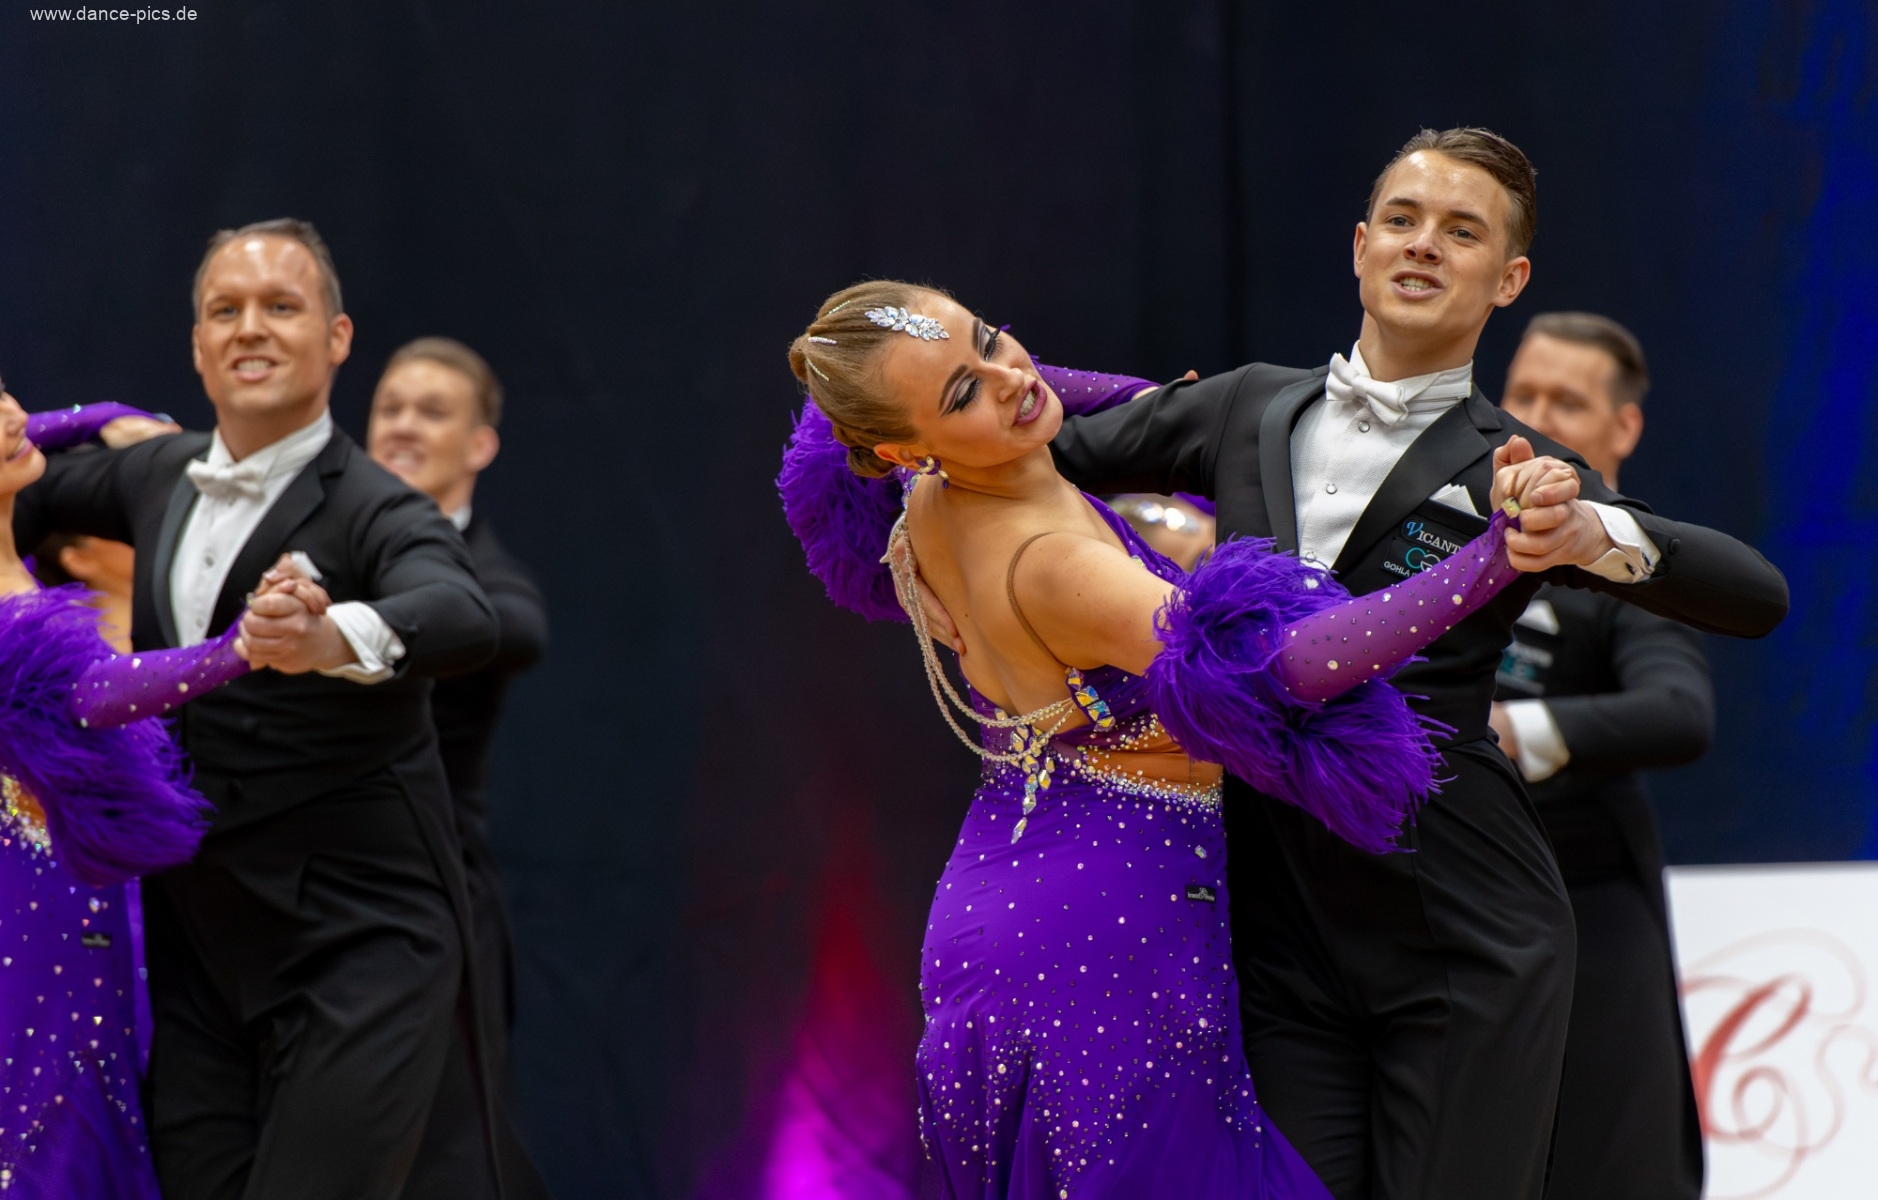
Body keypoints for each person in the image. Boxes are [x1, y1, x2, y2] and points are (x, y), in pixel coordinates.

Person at [949, 128, 1787, 1199]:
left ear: (1508, 280)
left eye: (1462, 231)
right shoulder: (1248, 405)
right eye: (1403, 219)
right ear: (1359, 248)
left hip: (1462, 929)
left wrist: (1589, 534)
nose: (1423, 244)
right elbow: (1044, 441)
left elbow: (1754, 595)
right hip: (1279, 926)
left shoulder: (1518, 466)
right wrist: (924, 396)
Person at [779, 279, 1588, 1198]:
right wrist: (1489, 559)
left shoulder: (922, 496)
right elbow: (1284, 662)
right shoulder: (1054, 564)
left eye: (992, 338)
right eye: (964, 392)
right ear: (899, 447)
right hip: (1099, 940)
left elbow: (951, 393)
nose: (1011, 378)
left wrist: (1100, 394)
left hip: (1009, 898)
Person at [11, 219, 546, 1200]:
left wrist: (331, 636)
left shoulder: (380, 505)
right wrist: (94, 419)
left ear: (337, 339)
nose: (250, 328)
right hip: (197, 948)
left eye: (280, 307)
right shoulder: (158, 474)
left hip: (356, 944)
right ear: (197, 345)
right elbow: (18, 484)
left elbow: (463, 612)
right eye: (226, 309)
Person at [0, 388, 324, 1198]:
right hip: (28, 926)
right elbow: (90, 691)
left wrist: (91, 417)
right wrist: (236, 649)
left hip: (71, 906)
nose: (10, 417)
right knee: (46, 1140)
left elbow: (29, 430)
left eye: (2, 393)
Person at [1494, 311, 1709, 1200]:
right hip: (1440, 909)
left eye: (1568, 402)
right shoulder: (1438, 536)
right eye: (1523, 393)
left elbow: (1680, 711)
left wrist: (1516, 733)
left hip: (1585, 910)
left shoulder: (1635, 563)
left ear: (1623, 429)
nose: (1538, 416)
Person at [368, 338, 548, 1042]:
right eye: (390, 409)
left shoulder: (489, 578)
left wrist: (351, 631)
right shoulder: (317, 553)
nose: (404, 426)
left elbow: (520, 630)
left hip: (432, 910)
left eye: (432, 412)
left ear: (480, 446)